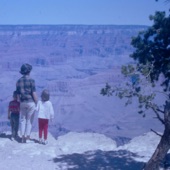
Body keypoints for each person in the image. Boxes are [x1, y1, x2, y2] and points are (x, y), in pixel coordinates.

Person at [16, 63, 38, 143]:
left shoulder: (18, 81)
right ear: (29, 71)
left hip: (22, 102)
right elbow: (33, 93)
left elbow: (18, 94)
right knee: (29, 121)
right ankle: (27, 138)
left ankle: (22, 138)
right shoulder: (32, 80)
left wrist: (19, 103)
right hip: (30, 102)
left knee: (22, 120)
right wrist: (37, 102)